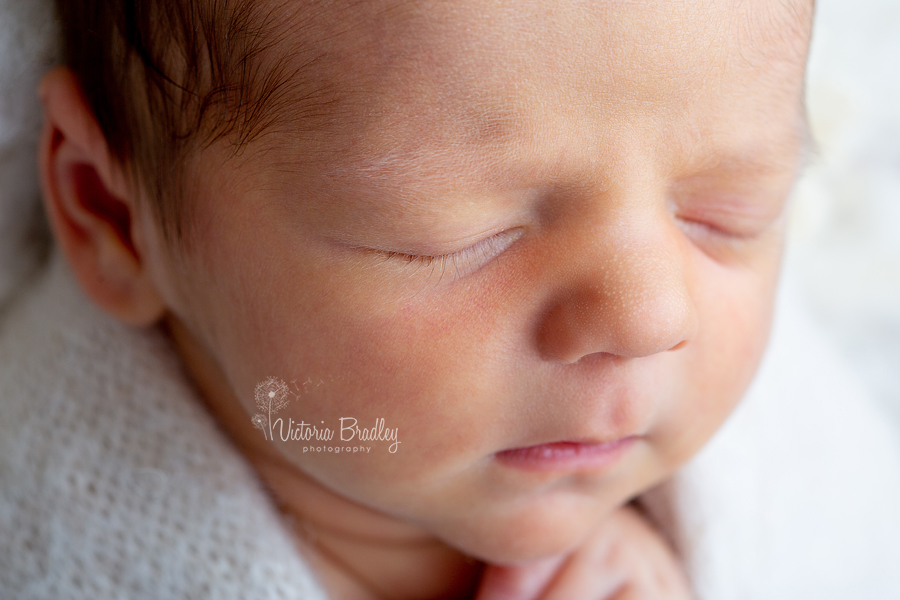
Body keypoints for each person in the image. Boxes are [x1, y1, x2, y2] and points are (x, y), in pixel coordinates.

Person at [6, 0, 867, 598]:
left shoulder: (791, 478)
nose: (650, 319)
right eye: (455, 237)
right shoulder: (49, 551)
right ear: (117, 217)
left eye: (729, 212)